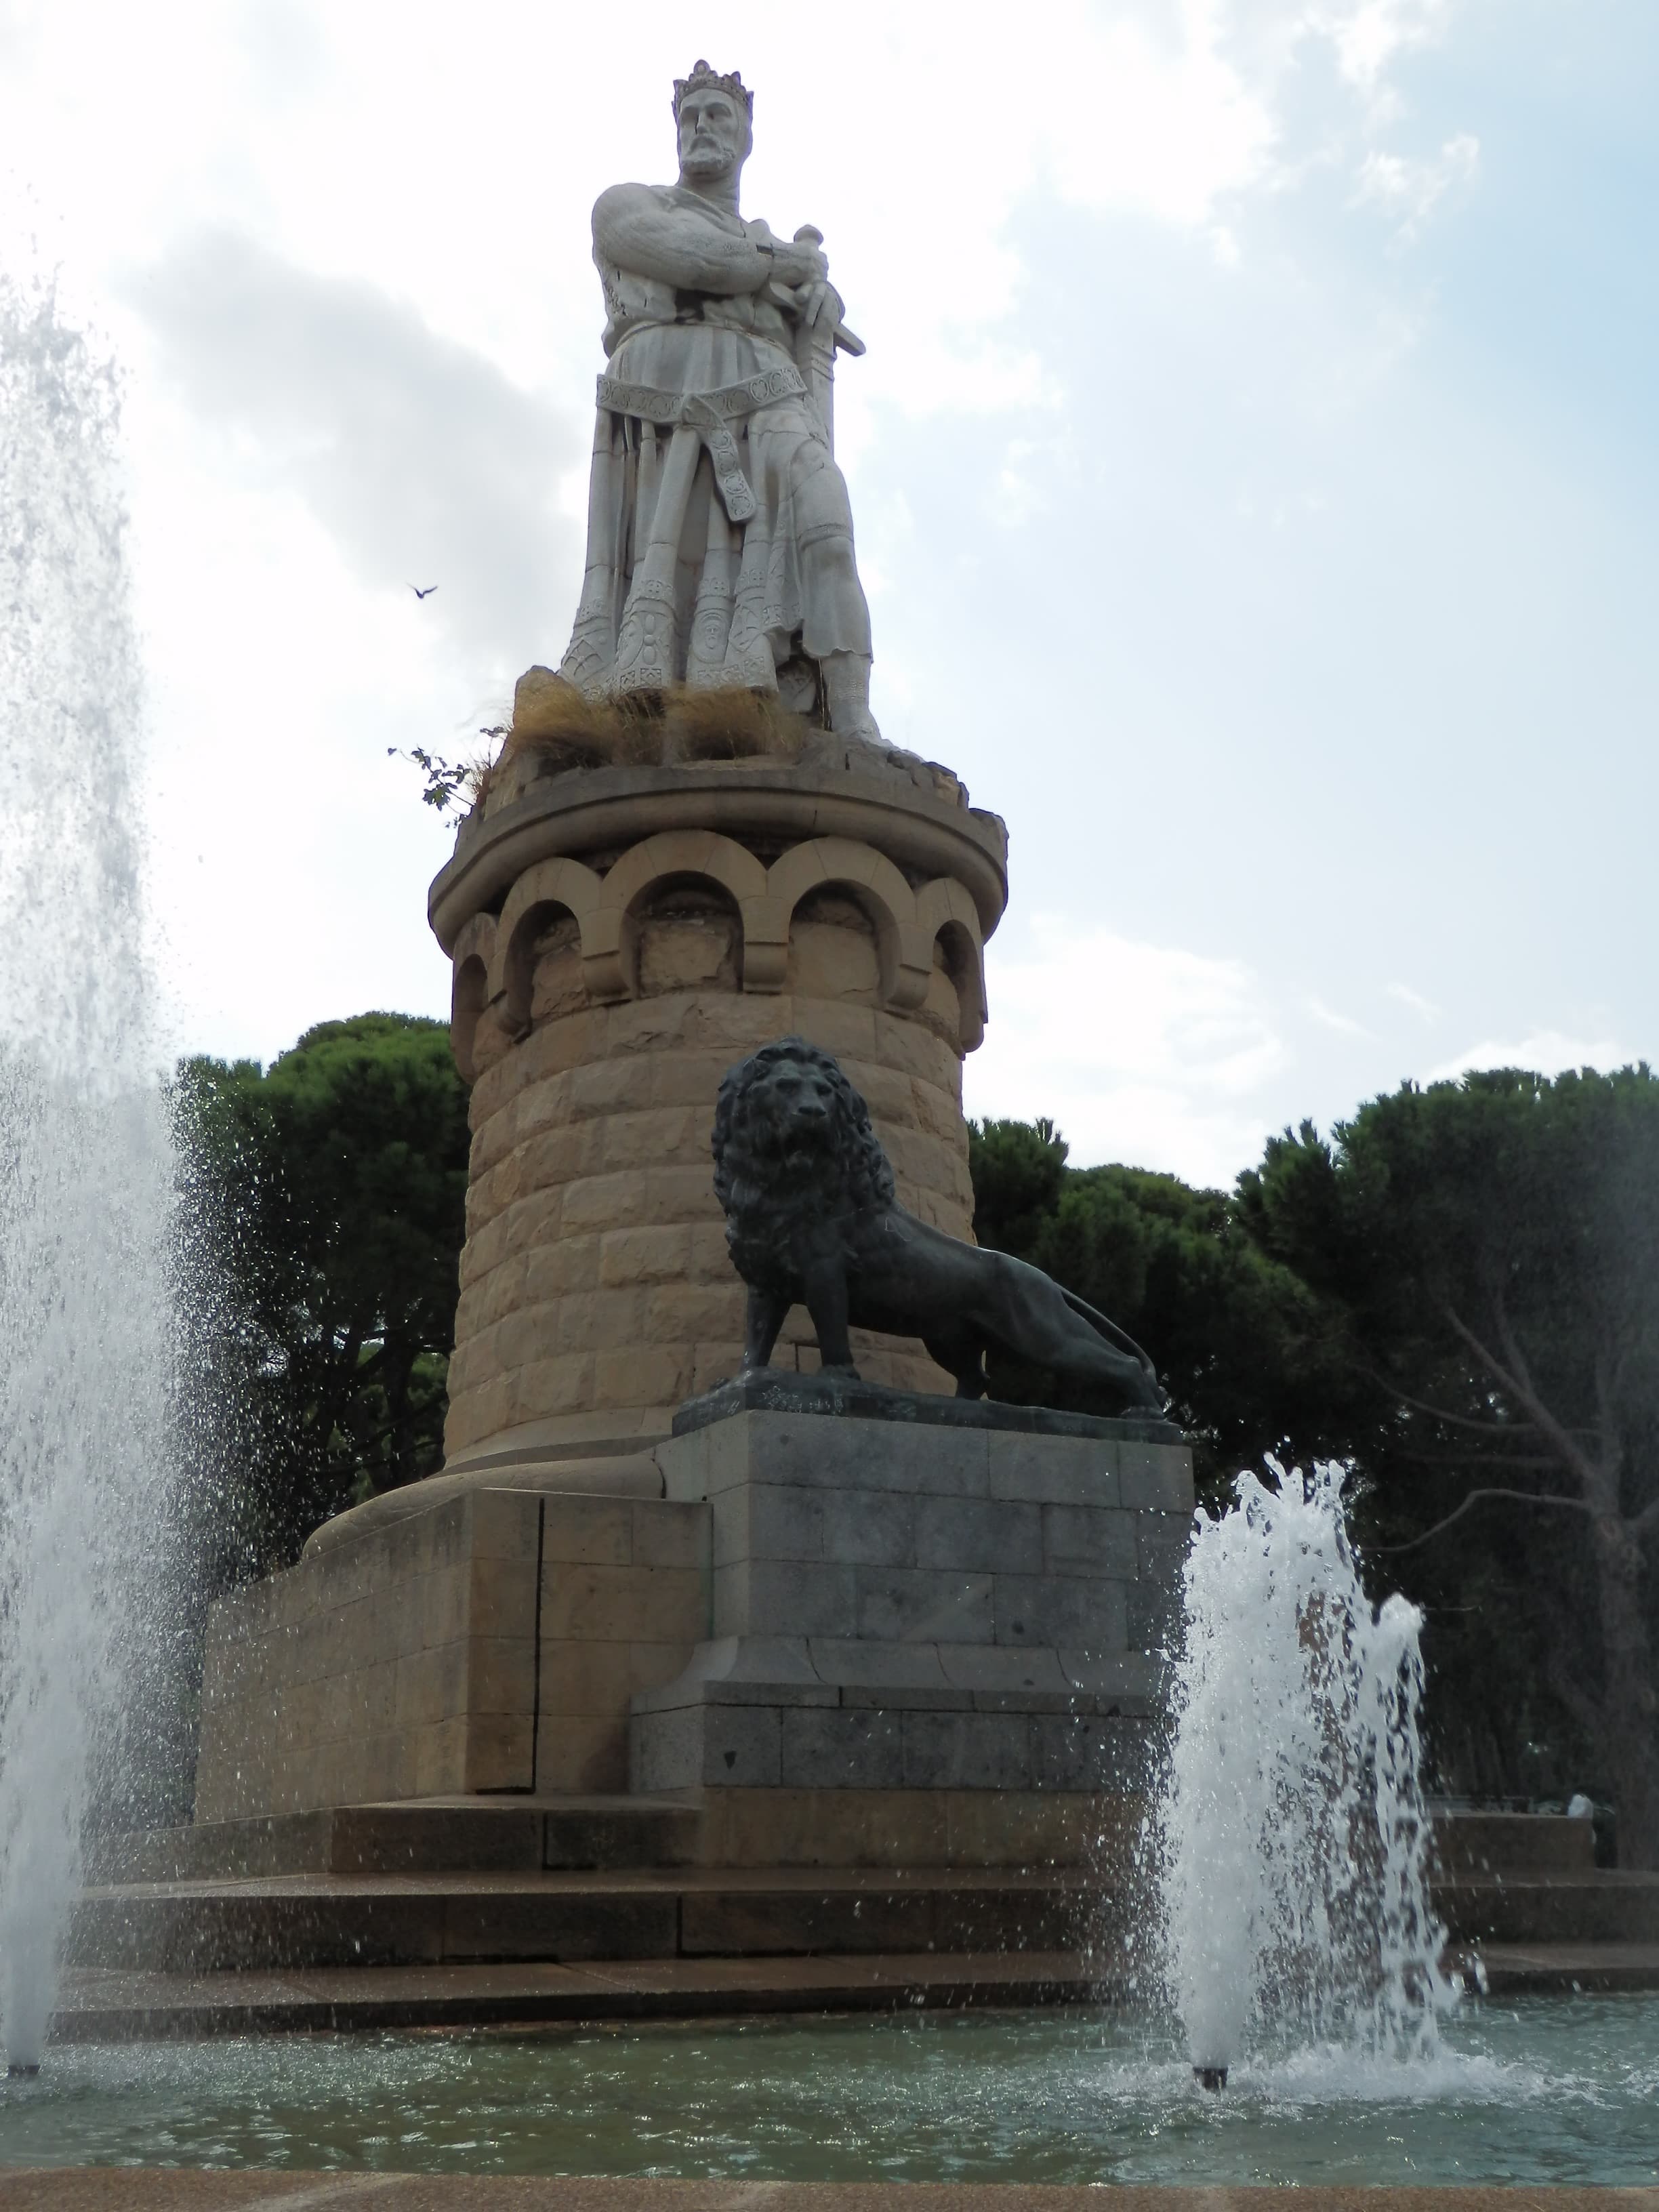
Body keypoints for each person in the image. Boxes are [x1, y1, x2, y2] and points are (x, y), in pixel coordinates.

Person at [558, 61, 880, 739]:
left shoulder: (769, 250)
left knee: (828, 521)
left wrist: (815, 314)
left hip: (768, 397)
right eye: (690, 116)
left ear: (746, 135)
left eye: (718, 115)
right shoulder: (626, 205)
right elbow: (696, 260)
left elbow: (758, 288)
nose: (701, 127)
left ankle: (853, 717)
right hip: (663, 407)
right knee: (672, 583)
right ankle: (682, 710)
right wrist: (782, 266)